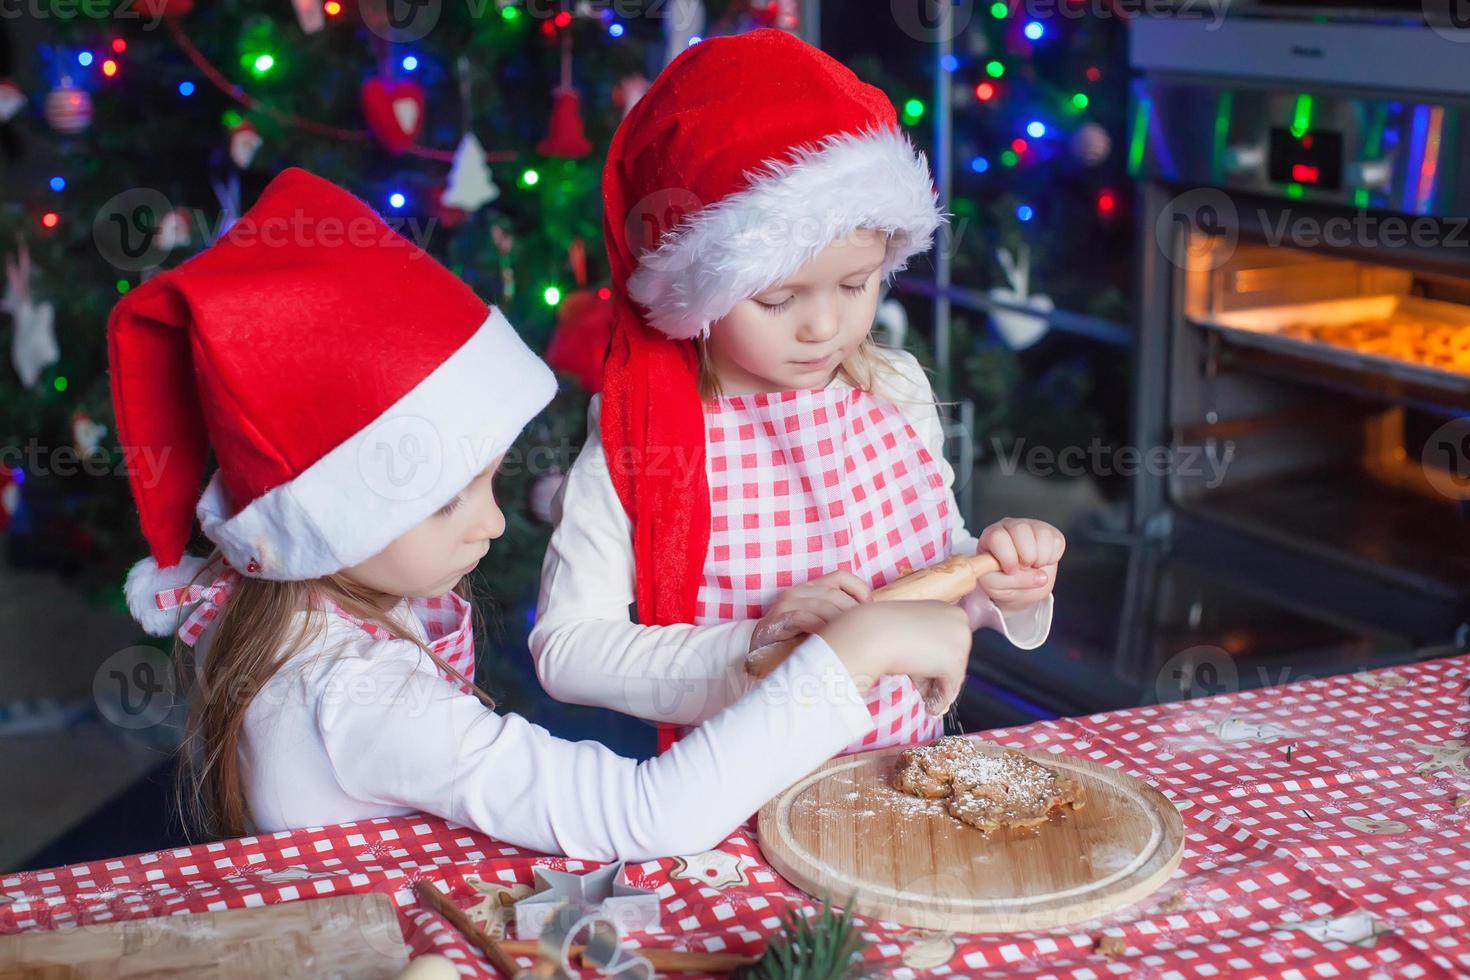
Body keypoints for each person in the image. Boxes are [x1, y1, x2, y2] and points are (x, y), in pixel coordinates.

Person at [108, 166, 973, 861]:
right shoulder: (355, 696)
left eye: (488, 484)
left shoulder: (282, 615)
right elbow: (646, 816)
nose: (492, 525)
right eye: (448, 499)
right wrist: (857, 648)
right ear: (332, 519)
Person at [531, 30, 1065, 755]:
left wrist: (1003, 585)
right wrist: (755, 645)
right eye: (779, 299)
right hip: (735, 805)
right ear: (700, 291)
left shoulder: (894, 388)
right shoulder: (652, 428)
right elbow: (567, 648)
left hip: (902, 782)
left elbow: (940, 571)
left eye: (856, 284)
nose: (823, 326)